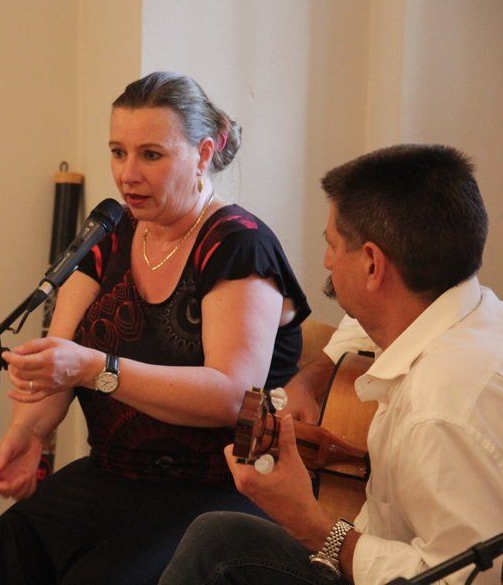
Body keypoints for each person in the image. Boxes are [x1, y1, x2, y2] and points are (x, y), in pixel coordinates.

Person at [0, 71, 310, 584]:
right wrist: (27, 432)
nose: (127, 174)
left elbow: (232, 395)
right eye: (118, 152)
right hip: (113, 473)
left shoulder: (237, 242)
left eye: (151, 155)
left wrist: (97, 369)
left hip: (217, 491)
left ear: (203, 153)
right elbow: (60, 358)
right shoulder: (110, 233)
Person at [160, 144, 503, 584]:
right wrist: (312, 381)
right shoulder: (466, 311)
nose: (326, 260)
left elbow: (460, 579)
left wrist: (309, 522)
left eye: (333, 245)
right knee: (220, 537)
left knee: (213, 546)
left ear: (373, 265)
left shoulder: (439, 411)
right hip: (384, 546)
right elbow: (363, 324)